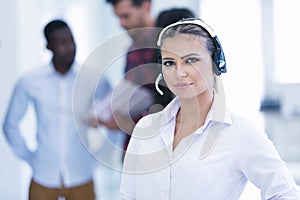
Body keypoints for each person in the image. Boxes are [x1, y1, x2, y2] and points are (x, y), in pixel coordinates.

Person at [120, 18, 300, 199]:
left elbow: (285, 194)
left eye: (191, 60)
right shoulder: (145, 128)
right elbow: (128, 196)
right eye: (169, 63)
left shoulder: (239, 132)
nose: (179, 72)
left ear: (216, 63)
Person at [2, 19, 109, 200]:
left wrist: (102, 154)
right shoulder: (30, 81)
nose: (69, 48)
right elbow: (10, 124)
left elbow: (116, 115)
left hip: (82, 174)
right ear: (49, 47)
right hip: (43, 176)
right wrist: (30, 157)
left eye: (71, 41)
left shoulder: (92, 77)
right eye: (62, 43)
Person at [104, 0, 174, 153]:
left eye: (126, 16)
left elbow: (172, 103)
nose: (121, 24)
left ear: (146, 6)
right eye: (118, 17)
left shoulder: (166, 46)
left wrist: (127, 122)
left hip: (160, 150)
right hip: (132, 149)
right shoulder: (132, 51)